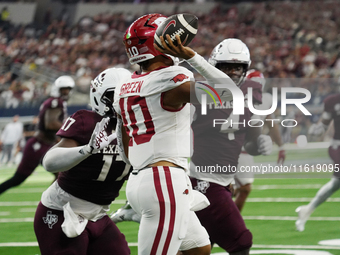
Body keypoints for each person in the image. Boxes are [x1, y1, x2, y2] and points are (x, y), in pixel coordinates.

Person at [113, 13, 238, 255]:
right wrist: (193, 57)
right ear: (160, 42)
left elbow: (124, 139)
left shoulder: (125, 86)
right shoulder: (171, 82)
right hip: (164, 181)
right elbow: (229, 93)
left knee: (198, 248)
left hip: (142, 179)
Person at [188, 38, 272, 255]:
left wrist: (260, 145)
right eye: (226, 67)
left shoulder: (251, 93)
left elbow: (250, 143)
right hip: (204, 180)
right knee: (241, 242)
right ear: (214, 67)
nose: (232, 72)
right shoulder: (199, 93)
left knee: (202, 245)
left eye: (237, 67)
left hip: (223, 181)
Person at [34, 67, 131, 255]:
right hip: (61, 210)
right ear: (100, 96)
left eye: (127, 94)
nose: (122, 101)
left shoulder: (137, 127)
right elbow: (49, 161)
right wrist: (87, 150)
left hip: (99, 215)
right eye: (116, 95)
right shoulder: (87, 121)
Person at [0, 76, 74, 195]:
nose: (66, 92)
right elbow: (51, 124)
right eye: (63, 89)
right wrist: (70, 127)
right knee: (18, 178)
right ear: (57, 89)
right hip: (38, 145)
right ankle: (49, 205)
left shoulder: (56, 102)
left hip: (46, 144)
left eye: (68, 89)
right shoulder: (55, 102)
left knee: (62, 175)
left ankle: (50, 205)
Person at [234, 69, 286, 212]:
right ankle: (227, 222)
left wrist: (281, 146)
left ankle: (227, 221)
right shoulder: (237, 97)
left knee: (240, 189)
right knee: (238, 188)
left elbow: (271, 123)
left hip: (247, 151)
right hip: (233, 149)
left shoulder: (265, 99)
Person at [295, 92, 340, 232]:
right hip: (338, 146)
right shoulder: (332, 101)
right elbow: (324, 126)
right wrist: (316, 130)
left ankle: (307, 209)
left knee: (335, 184)